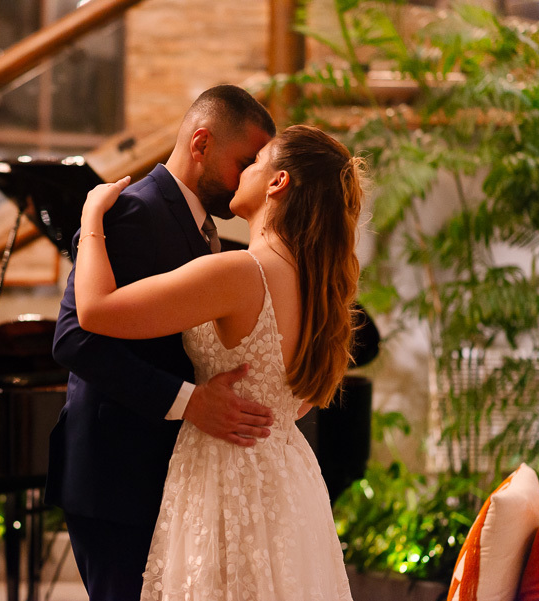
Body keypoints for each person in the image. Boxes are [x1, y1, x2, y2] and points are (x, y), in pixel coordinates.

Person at [75, 125, 362, 600]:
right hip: (288, 480)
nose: (242, 173)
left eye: (255, 162)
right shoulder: (320, 290)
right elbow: (298, 402)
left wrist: (90, 218)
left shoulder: (240, 272)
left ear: (278, 182)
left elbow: (94, 311)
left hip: (226, 476)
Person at [47, 85, 277, 601]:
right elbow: (73, 338)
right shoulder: (135, 211)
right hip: (117, 474)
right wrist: (188, 401)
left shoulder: (204, 229)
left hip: (162, 470)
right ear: (201, 144)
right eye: (245, 162)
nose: (249, 178)